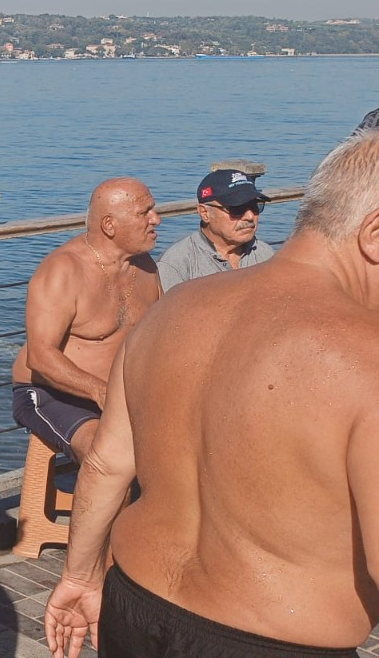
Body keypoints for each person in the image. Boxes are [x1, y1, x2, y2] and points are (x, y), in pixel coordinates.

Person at [45, 132, 379, 658]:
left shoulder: (170, 309)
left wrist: (80, 576)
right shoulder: (366, 358)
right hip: (277, 638)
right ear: (374, 234)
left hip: (134, 603)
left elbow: (108, 466)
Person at [10, 178, 162, 462]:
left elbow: (159, 337)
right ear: (109, 225)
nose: (156, 219)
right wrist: (101, 392)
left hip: (122, 392)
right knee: (107, 455)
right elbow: (40, 357)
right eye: (144, 213)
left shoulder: (145, 266)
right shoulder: (63, 271)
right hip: (53, 392)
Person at [156, 168, 274, 290]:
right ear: (205, 213)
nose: (250, 216)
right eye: (237, 209)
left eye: (255, 206)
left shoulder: (265, 254)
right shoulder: (177, 264)